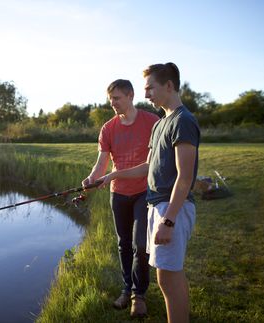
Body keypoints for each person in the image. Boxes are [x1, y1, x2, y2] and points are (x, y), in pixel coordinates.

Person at [98, 63, 200, 323]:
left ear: (168, 85)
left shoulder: (183, 121)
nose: (146, 95)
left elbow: (185, 178)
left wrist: (168, 220)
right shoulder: (161, 124)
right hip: (156, 205)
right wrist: (112, 175)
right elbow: (148, 166)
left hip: (170, 207)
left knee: (169, 277)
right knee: (166, 277)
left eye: (150, 88)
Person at [82, 79, 159, 317]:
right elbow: (101, 163)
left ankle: (139, 296)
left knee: (140, 245)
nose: (112, 103)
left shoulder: (152, 122)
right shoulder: (108, 128)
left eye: (117, 98)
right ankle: (127, 289)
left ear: (130, 96)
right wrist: (91, 179)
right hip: (118, 194)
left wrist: (113, 174)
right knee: (123, 244)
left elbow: (150, 166)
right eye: (110, 99)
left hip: (143, 192)